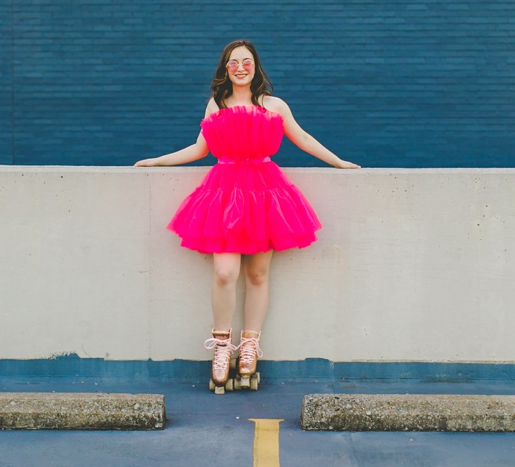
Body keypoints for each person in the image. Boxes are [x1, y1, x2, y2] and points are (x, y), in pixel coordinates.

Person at [135, 39, 358, 393]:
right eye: (233, 62)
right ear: (226, 68)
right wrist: (156, 160)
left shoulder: (275, 105)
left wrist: (339, 162)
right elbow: (199, 149)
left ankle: (250, 345)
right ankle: (222, 346)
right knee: (225, 271)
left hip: (265, 192)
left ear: (255, 67)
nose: (240, 67)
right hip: (224, 193)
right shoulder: (216, 105)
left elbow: (303, 139)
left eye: (246, 61)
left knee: (257, 273)